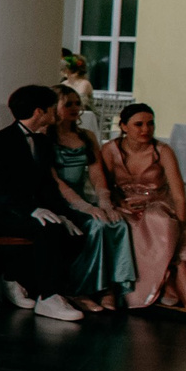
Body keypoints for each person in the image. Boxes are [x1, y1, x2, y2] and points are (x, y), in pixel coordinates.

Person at [0, 85, 90, 322]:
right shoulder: (1, 140)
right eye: (52, 108)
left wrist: (63, 213)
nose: (55, 114)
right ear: (40, 111)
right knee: (48, 229)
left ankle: (18, 278)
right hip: (1, 212)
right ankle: (48, 296)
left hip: (30, 209)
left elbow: (47, 185)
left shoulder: (42, 142)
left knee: (77, 229)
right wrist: (30, 210)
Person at [107, 103, 186, 310]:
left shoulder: (163, 151)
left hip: (158, 203)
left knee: (160, 222)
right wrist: (120, 203)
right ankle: (129, 291)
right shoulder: (110, 150)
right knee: (124, 226)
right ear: (124, 126)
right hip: (124, 204)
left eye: (150, 124)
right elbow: (104, 185)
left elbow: (179, 196)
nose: (145, 129)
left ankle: (162, 287)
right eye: (138, 124)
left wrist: (183, 226)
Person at [50, 85, 136, 311]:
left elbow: (97, 175)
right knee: (96, 225)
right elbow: (55, 182)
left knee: (117, 222)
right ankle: (82, 290)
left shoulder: (86, 136)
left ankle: (109, 288)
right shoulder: (45, 137)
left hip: (83, 196)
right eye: (68, 104)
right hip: (59, 200)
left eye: (77, 103)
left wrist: (105, 202)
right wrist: (86, 207)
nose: (75, 108)